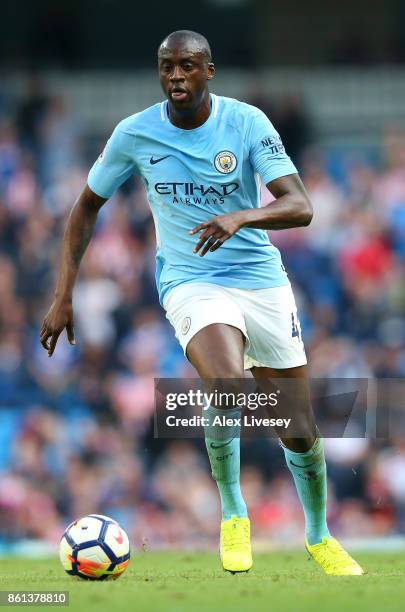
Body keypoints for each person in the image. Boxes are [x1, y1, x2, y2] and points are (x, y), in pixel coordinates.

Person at [40, 30, 363, 576]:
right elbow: (84, 207)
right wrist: (62, 294)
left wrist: (241, 216)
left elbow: (300, 206)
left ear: (209, 71)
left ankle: (318, 535)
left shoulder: (246, 122)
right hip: (191, 279)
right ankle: (234, 513)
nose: (176, 77)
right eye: (167, 67)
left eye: (187, 66)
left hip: (260, 278)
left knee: (300, 426)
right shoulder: (134, 134)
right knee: (226, 384)